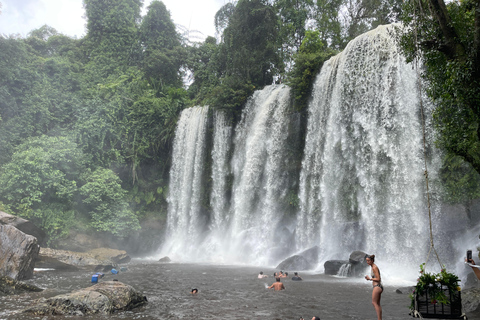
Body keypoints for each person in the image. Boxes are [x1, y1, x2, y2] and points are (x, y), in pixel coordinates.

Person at [365, 254, 383, 320]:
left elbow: (378, 279)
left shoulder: (374, 267)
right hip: (377, 286)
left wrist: (370, 279)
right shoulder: (372, 266)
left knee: (374, 302)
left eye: (368, 261)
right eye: (367, 261)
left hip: (377, 286)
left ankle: (379, 319)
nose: (367, 262)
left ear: (372, 260)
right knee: (377, 304)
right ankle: (380, 318)